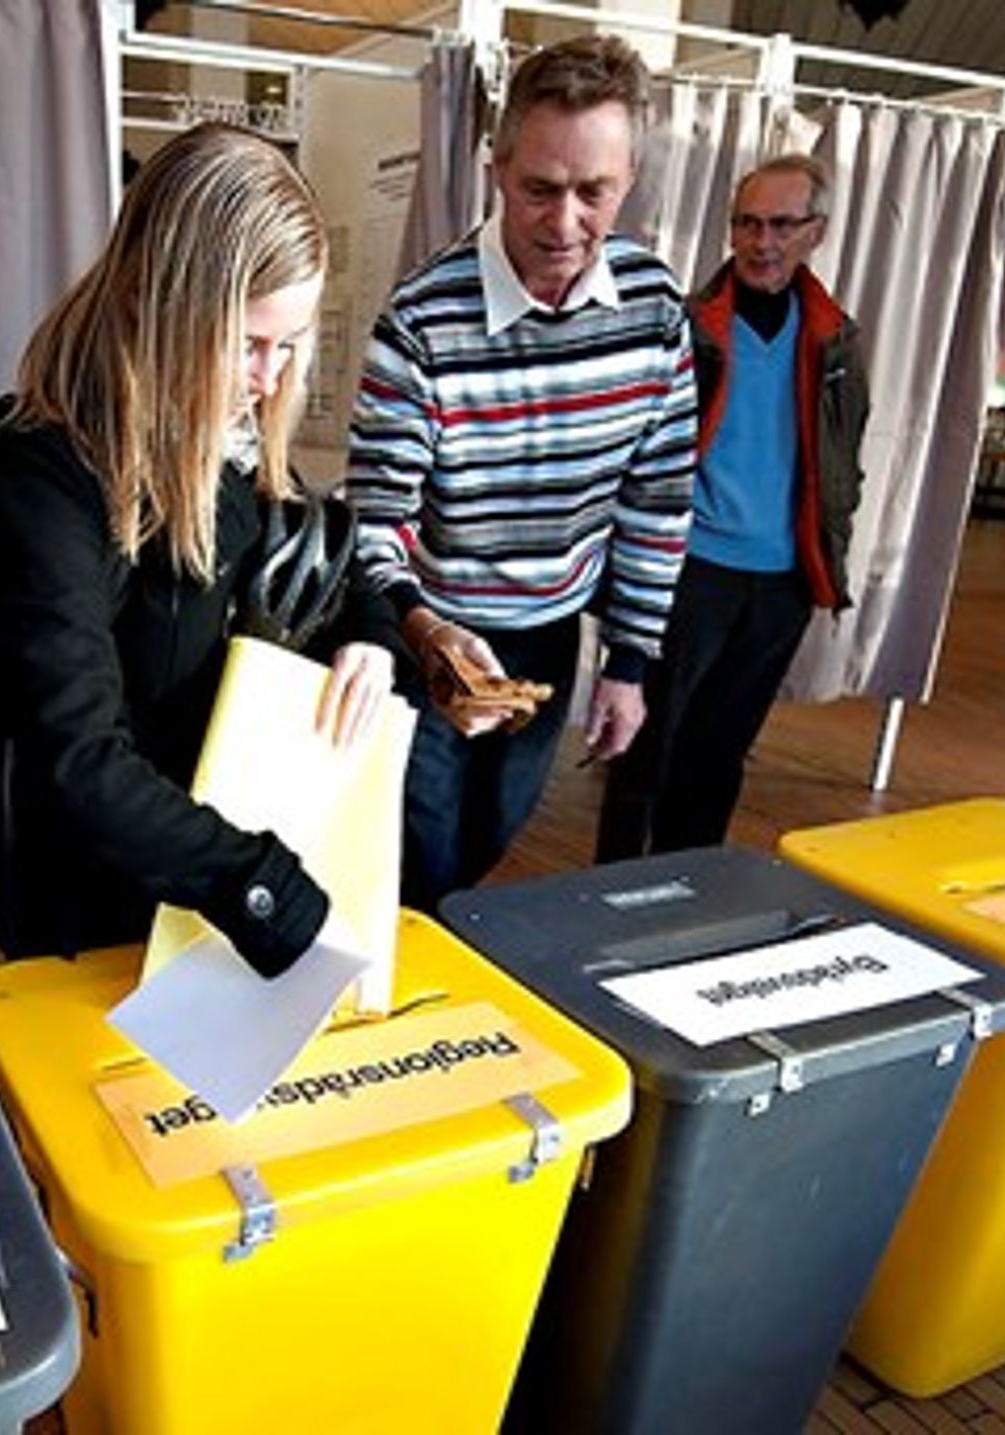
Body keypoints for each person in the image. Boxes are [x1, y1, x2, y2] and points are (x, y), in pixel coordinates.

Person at [0, 123, 396, 976]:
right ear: (157, 306)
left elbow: (323, 559)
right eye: (249, 343)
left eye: (291, 345)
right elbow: (79, 762)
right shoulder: (39, 480)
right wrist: (262, 886)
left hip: (200, 892)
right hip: (92, 910)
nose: (271, 380)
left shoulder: (225, 438)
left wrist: (374, 638)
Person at [347, 34, 695, 908]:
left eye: (595, 192)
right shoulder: (422, 320)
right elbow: (376, 515)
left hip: (549, 629)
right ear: (498, 167)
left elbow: (657, 501)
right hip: (433, 632)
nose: (565, 220)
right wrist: (425, 636)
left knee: (486, 840)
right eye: (540, 188)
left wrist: (630, 660)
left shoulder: (655, 309)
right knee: (414, 860)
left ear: (628, 182)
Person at [596, 154, 869, 859]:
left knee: (720, 753)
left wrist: (827, 543)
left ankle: (691, 889)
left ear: (816, 232)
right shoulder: (688, 325)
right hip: (687, 570)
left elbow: (845, 457)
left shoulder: (837, 338)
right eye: (748, 223)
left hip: (781, 583)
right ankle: (605, 898)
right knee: (644, 747)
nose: (762, 242)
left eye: (782, 224)